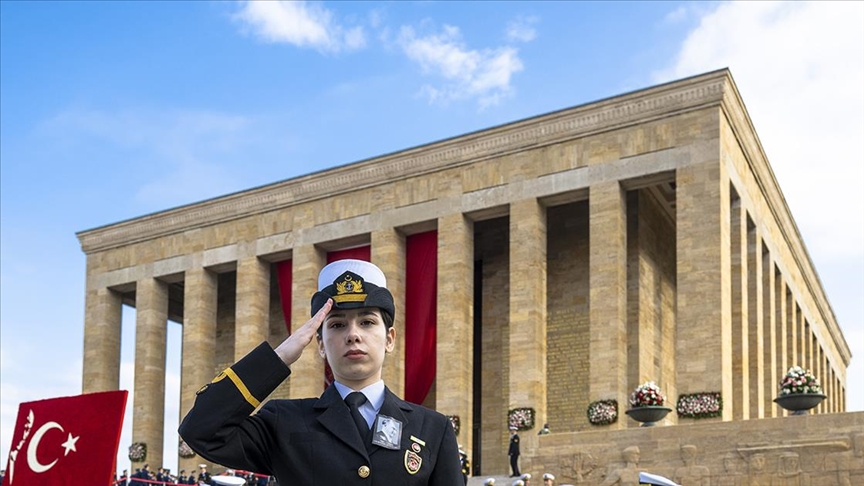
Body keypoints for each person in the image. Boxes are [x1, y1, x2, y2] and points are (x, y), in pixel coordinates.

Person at [179, 259, 461, 485]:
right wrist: (280, 356)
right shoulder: (284, 422)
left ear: (389, 339)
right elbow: (201, 431)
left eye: (366, 322)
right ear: (320, 344)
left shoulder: (432, 428)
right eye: (337, 325)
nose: (353, 335)